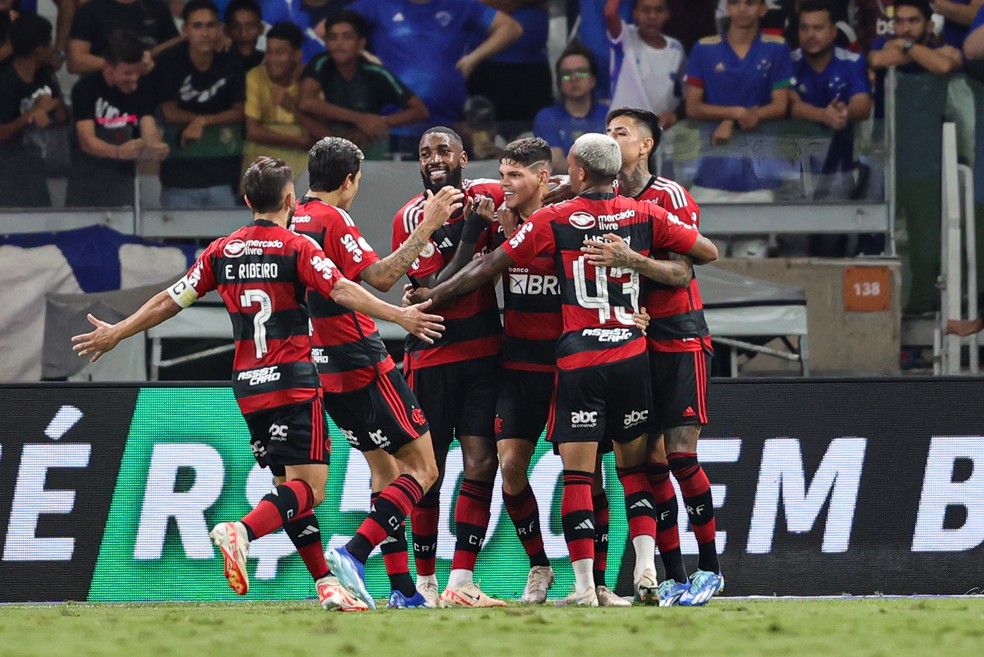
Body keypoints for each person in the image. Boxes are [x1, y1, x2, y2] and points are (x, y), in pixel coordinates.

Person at [71, 155, 447, 612]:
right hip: (293, 380)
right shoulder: (297, 247)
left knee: (290, 486)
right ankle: (244, 531)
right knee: (310, 489)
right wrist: (399, 315)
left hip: (247, 387)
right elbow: (344, 290)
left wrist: (117, 331)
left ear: (247, 200)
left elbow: (171, 300)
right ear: (290, 199)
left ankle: (326, 583)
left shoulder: (221, 251)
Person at [408, 133, 719, 606]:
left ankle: (594, 584)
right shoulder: (496, 209)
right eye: (502, 174)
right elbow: (696, 256)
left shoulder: (557, 218)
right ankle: (549, 568)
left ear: (551, 176)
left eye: (516, 175)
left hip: (570, 362)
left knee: (591, 474)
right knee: (513, 468)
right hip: (529, 362)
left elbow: (486, 268)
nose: (504, 183)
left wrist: (428, 295)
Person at [292, 137, 464, 609]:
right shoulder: (332, 218)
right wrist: (428, 226)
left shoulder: (293, 219)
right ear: (349, 181)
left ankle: (404, 590)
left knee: (384, 471)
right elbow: (384, 276)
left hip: (321, 363)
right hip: (360, 359)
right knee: (424, 468)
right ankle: (354, 551)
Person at [601, 107, 723, 606]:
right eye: (607, 132)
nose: (611, 139)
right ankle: (673, 577)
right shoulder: (601, 201)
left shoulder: (667, 196)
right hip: (631, 344)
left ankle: (711, 569)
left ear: (646, 145)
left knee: (679, 455)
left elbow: (683, 272)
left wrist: (630, 260)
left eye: (621, 133)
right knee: (649, 463)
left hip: (679, 335)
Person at [390, 125, 506, 608]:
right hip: (433, 355)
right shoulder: (412, 217)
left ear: (463, 155)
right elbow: (434, 284)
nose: (433, 158)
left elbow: (540, 193)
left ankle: (461, 578)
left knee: (483, 462)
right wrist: (474, 234)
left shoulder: (489, 196)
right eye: (425, 153)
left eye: (443, 150)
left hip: (484, 353)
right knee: (427, 470)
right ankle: (424, 580)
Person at [685, 0, 794, 257]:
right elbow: (692, 107)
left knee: (754, 260)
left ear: (763, 9)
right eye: (735, 2)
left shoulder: (776, 48)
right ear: (726, 8)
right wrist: (736, 113)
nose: (742, 9)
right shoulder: (704, 49)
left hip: (759, 173)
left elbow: (780, 105)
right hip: (711, 171)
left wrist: (736, 119)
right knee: (707, 261)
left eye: (750, 2)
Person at [348, 0, 522, 153]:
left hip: (448, 123)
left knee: (446, 186)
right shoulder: (377, 4)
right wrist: (361, 55)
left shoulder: (459, 4)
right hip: (389, 127)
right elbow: (324, 29)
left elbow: (511, 27)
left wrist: (473, 59)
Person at [790, 0, 872, 250]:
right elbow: (787, 104)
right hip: (794, 170)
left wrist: (844, 112)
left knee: (833, 245)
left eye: (818, 27)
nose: (810, 34)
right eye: (804, 28)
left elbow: (863, 104)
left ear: (834, 31)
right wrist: (823, 116)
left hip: (840, 167)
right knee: (793, 245)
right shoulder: (788, 60)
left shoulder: (852, 61)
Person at [299, 10, 429, 159]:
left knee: (377, 137)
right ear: (326, 42)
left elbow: (420, 111)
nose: (339, 43)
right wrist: (360, 119)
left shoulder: (376, 72)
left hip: (370, 139)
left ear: (361, 42)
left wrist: (380, 122)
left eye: (347, 37)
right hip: (332, 139)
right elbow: (306, 102)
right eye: (332, 37)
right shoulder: (321, 63)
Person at [156, 0, 245, 208]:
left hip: (225, 175)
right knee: (178, 240)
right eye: (197, 26)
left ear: (219, 29)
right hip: (179, 176)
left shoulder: (230, 59)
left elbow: (239, 112)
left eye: (210, 25)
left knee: (227, 240)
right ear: (185, 30)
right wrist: (201, 120)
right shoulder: (169, 61)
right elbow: (169, 113)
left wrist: (202, 121)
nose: (205, 33)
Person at [66, 28, 168, 207]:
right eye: (127, 73)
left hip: (123, 185)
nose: (134, 80)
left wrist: (156, 146)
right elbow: (86, 140)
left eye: (138, 72)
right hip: (85, 185)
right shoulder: (85, 88)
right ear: (108, 67)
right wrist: (118, 152)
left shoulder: (142, 87)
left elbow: (148, 124)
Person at [242, 21, 324, 186]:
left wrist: (294, 109)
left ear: (296, 55)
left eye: (279, 53)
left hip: (303, 182)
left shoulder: (312, 79)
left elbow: (322, 135)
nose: (272, 59)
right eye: (269, 52)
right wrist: (300, 142)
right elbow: (253, 132)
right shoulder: (255, 76)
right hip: (261, 180)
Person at [0, 12, 66, 208]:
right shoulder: (5, 82)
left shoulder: (46, 74)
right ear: (38, 50)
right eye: (49, 44)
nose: (52, 49)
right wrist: (30, 115)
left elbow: (63, 118)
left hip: (36, 169)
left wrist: (55, 107)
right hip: (6, 175)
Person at [465, 0, 553, 138]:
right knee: (483, 141)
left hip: (532, 68)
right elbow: (463, 5)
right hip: (483, 65)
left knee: (533, 143)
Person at [605, 0, 686, 130]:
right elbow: (610, 13)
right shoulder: (625, 38)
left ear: (667, 14)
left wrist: (674, 115)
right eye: (646, 10)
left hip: (659, 133)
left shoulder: (676, 48)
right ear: (635, 13)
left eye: (659, 10)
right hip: (622, 131)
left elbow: (684, 93)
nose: (652, 16)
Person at [532, 41, 610, 174]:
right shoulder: (546, 117)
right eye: (566, 74)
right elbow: (556, 164)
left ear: (593, 79)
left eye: (581, 73)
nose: (574, 78)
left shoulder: (610, 115)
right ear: (559, 83)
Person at [67, 0, 181, 75]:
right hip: (105, 89)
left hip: (151, 87)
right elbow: (75, 61)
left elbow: (174, 48)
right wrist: (123, 67)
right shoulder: (89, 10)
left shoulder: (158, 7)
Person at [869, 0, 963, 74]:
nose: (905, 29)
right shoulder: (883, 42)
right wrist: (930, 56)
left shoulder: (936, 47)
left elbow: (944, 66)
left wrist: (906, 45)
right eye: (899, 21)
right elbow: (876, 60)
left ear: (930, 26)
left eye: (913, 21)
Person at [224, 0, 264, 72]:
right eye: (236, 27)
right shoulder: (214, 67)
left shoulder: (270, 65)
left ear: (261, 29)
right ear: (227, 31)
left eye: (250, 26)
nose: (244, 34)